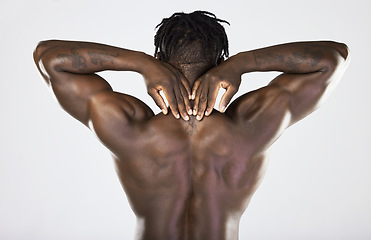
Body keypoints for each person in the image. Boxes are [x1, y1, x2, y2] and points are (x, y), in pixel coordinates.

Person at [33, 11, 349, 240]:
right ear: (219, 58)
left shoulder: (129, 126)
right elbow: (332, 58)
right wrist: (240, 64)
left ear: (161, 56)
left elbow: (49, 58)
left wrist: (141, 63)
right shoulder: (252, 121)